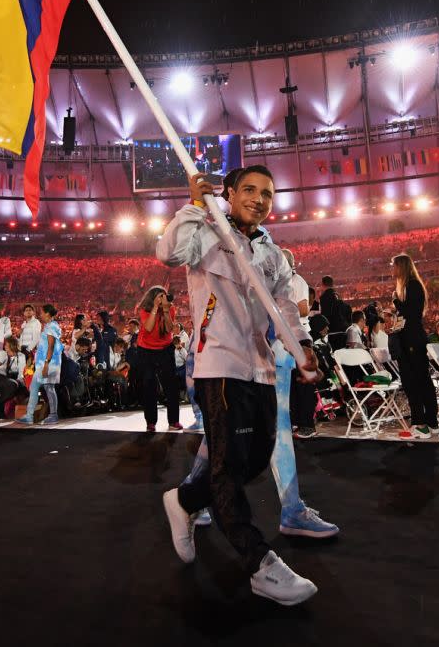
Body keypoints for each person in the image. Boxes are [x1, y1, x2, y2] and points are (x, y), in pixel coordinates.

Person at [158, 165, 320, 606]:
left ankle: (187, 499)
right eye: (249, 189)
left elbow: (285, 305)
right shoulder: (206, 231)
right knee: (228, 472)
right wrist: (194, 204)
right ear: (228, 193)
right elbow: (168, 252)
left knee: (252, 462)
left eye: (267, 192)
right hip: (219, 365)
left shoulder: (272, 252)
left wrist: (302, 344)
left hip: (262, 369)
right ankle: (260, 564)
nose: (259, 198)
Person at [392, 254, 439, 439]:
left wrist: (396, 300)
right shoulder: (414, 285)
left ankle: (420, 424)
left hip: (411, 340)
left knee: (414, 382)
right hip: (415, 338)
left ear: (401, 267)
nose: (392, 269)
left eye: (394, 266)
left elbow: (409, 313)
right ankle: (431, 423)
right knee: (423, 381)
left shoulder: (411, 285)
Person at [137, 286, 182, 432]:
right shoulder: (144, 309)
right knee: (149, 386)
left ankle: (174, 421)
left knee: (171, 386)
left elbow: (169, 329)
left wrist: (167, 310)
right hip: (146, 350)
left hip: (165, 349)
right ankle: (151, 422)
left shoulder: (170, 309)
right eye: (160, 297)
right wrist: (156, 308)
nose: (163, 299)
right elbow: (149, 328)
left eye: (164, 296)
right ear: (153, 298)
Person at [281, 249, 315, 438]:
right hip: (288, 337)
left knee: (304, 383)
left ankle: (307, 425)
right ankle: (296, 422)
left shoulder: (297, 281)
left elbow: (303, 309)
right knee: (293, 383)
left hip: (300, 335)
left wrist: (281, 310)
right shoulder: (282, 283)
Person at [18, 304, 63, 426]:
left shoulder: (52, 327)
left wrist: (46, 364)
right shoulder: (48, 326)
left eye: (42, 312)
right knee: (33, 387)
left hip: (49, 364)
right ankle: (29, 416)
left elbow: (51, 346)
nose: (41, 315)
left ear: (48, 313)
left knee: (49, 387)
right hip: (42, 363)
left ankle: (53, 415)